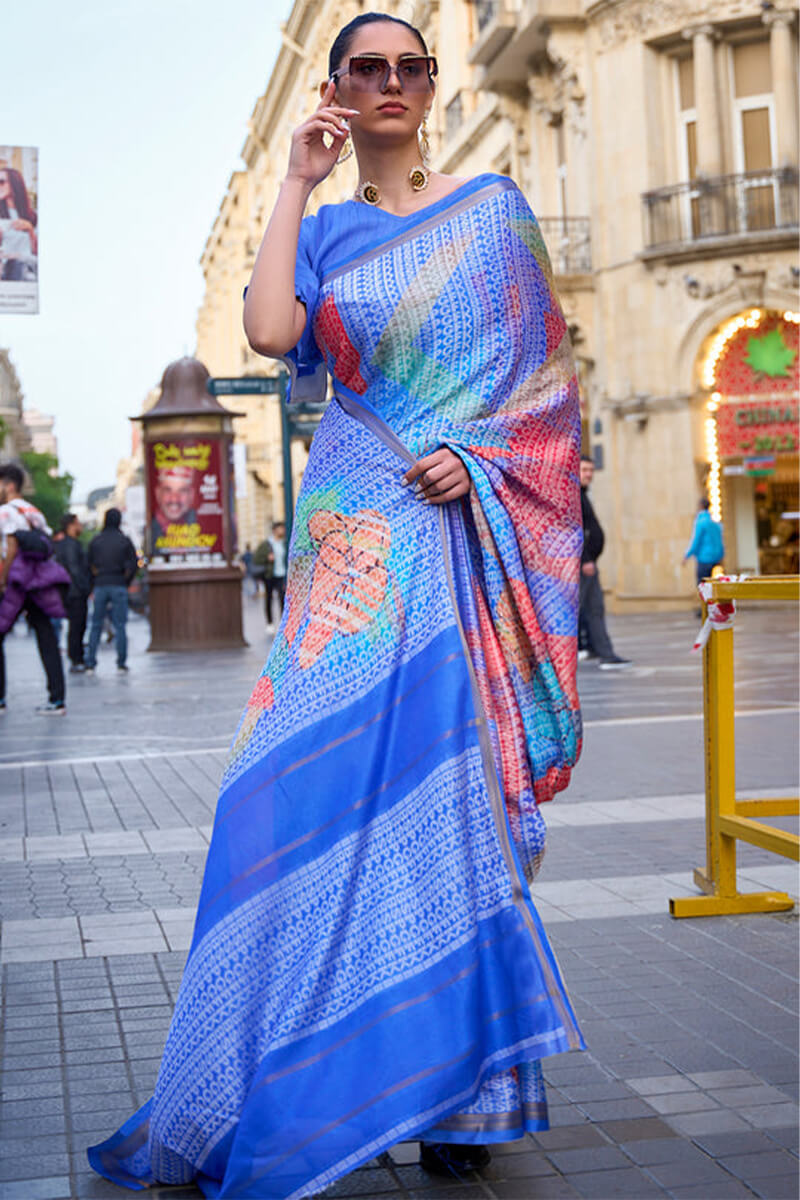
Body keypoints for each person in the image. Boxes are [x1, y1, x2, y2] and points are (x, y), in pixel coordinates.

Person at [89, 13, 585, 1197]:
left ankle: (459, 1104)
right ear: (336, 88)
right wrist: (296, 184)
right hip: (348, 536)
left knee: (448, 797)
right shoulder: (319, 229)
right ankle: (280, 1070)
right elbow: (267, 333)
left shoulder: (493, 214)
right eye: (368, 68)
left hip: (457, 531)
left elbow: (544, 391)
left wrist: (475, 455)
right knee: (285, 791)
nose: (394, 83)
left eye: (412, 66)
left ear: (429, 83)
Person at [0, 461, 68, 714]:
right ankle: (57, 699)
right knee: (46, 637)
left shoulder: (6, 511)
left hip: (18, 582)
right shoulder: (33, 511)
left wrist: (4, 579)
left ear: (9, 485)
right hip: (37, 582)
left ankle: (0, 699)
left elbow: (12, 547)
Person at [578, 455, 631, 669]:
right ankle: (601, 652)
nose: (589, 474)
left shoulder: (582, 495)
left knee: (593, 609)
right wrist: (585, 560)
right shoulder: (573, 495)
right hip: (584, 565)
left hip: (588, 564)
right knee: (586, 608)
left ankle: (597, 649)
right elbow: (573, 531)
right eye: (584, 470)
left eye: (591, 470)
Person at [85, 508, 137, 674]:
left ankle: (90, 663)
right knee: (120, 625)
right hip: (118, 583)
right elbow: (134, 564)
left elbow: (87, 564)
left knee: (96, 625)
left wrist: (93, 582)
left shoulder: (96, 541)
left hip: (101, 583)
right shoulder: (124, 540)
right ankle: (121, 663)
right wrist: (125, 581)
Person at [53, 512, 92, 672]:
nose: (80, 526)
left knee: (76, 626)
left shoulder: (66, 544)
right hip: (75, 591)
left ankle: (77, 657)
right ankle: (77, 658)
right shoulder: (71, 545)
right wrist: (85, 587)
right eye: (78, 523)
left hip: (70, 590)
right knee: (77, 626)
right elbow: (74, 568)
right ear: (71, 525)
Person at [0, 167, 38, 282]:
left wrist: (30, 230)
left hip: (29, 266)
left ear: (14, 183)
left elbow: (37, 251)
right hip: (6, 268)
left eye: (1, 182)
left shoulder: (32, 215)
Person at [150, 466, 198, 543]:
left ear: (191, 495)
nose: (174, 499)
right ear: (158, 493)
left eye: (182, 491)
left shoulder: (200, 523)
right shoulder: (150, 528)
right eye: (168, 490)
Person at [684, 497, 724, 585]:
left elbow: (696, 541)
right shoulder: (715, 523)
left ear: (700, 506)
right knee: (711, 585)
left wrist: (687, 555)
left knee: (702, 586)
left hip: (704, 559)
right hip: (715, 559)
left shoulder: (700, 522)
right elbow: (720, 542)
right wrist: (720, 556)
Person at [264, 520, 286, 629]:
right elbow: (258, 558)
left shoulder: (284, 543)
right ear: (274, 531)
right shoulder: (268, 543)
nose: (282, 530)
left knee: (282, 597)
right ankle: (270, 622)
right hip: (270, 575)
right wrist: (267, 558)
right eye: (280, 528)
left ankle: (283, 622)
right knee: (269, 598)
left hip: (281, 573)